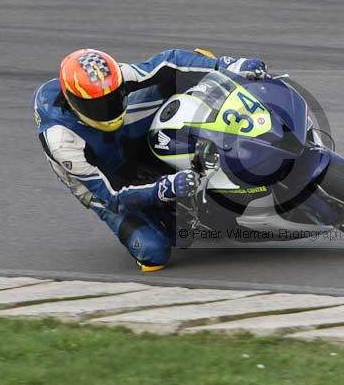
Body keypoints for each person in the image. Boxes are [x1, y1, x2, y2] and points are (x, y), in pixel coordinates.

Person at [32, 48, 268, 272]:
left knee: (180, 83)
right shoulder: (63, 142)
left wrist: (227, 65)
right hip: (108, 182)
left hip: (122, 138)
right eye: (97, 105)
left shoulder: (113, 77)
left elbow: (167, 62)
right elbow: (113, 195)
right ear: (73, 103)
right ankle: (170, 199)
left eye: (113, 97)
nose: (108, 109)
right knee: (154, 252)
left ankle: (227, 134)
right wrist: (163, 189)